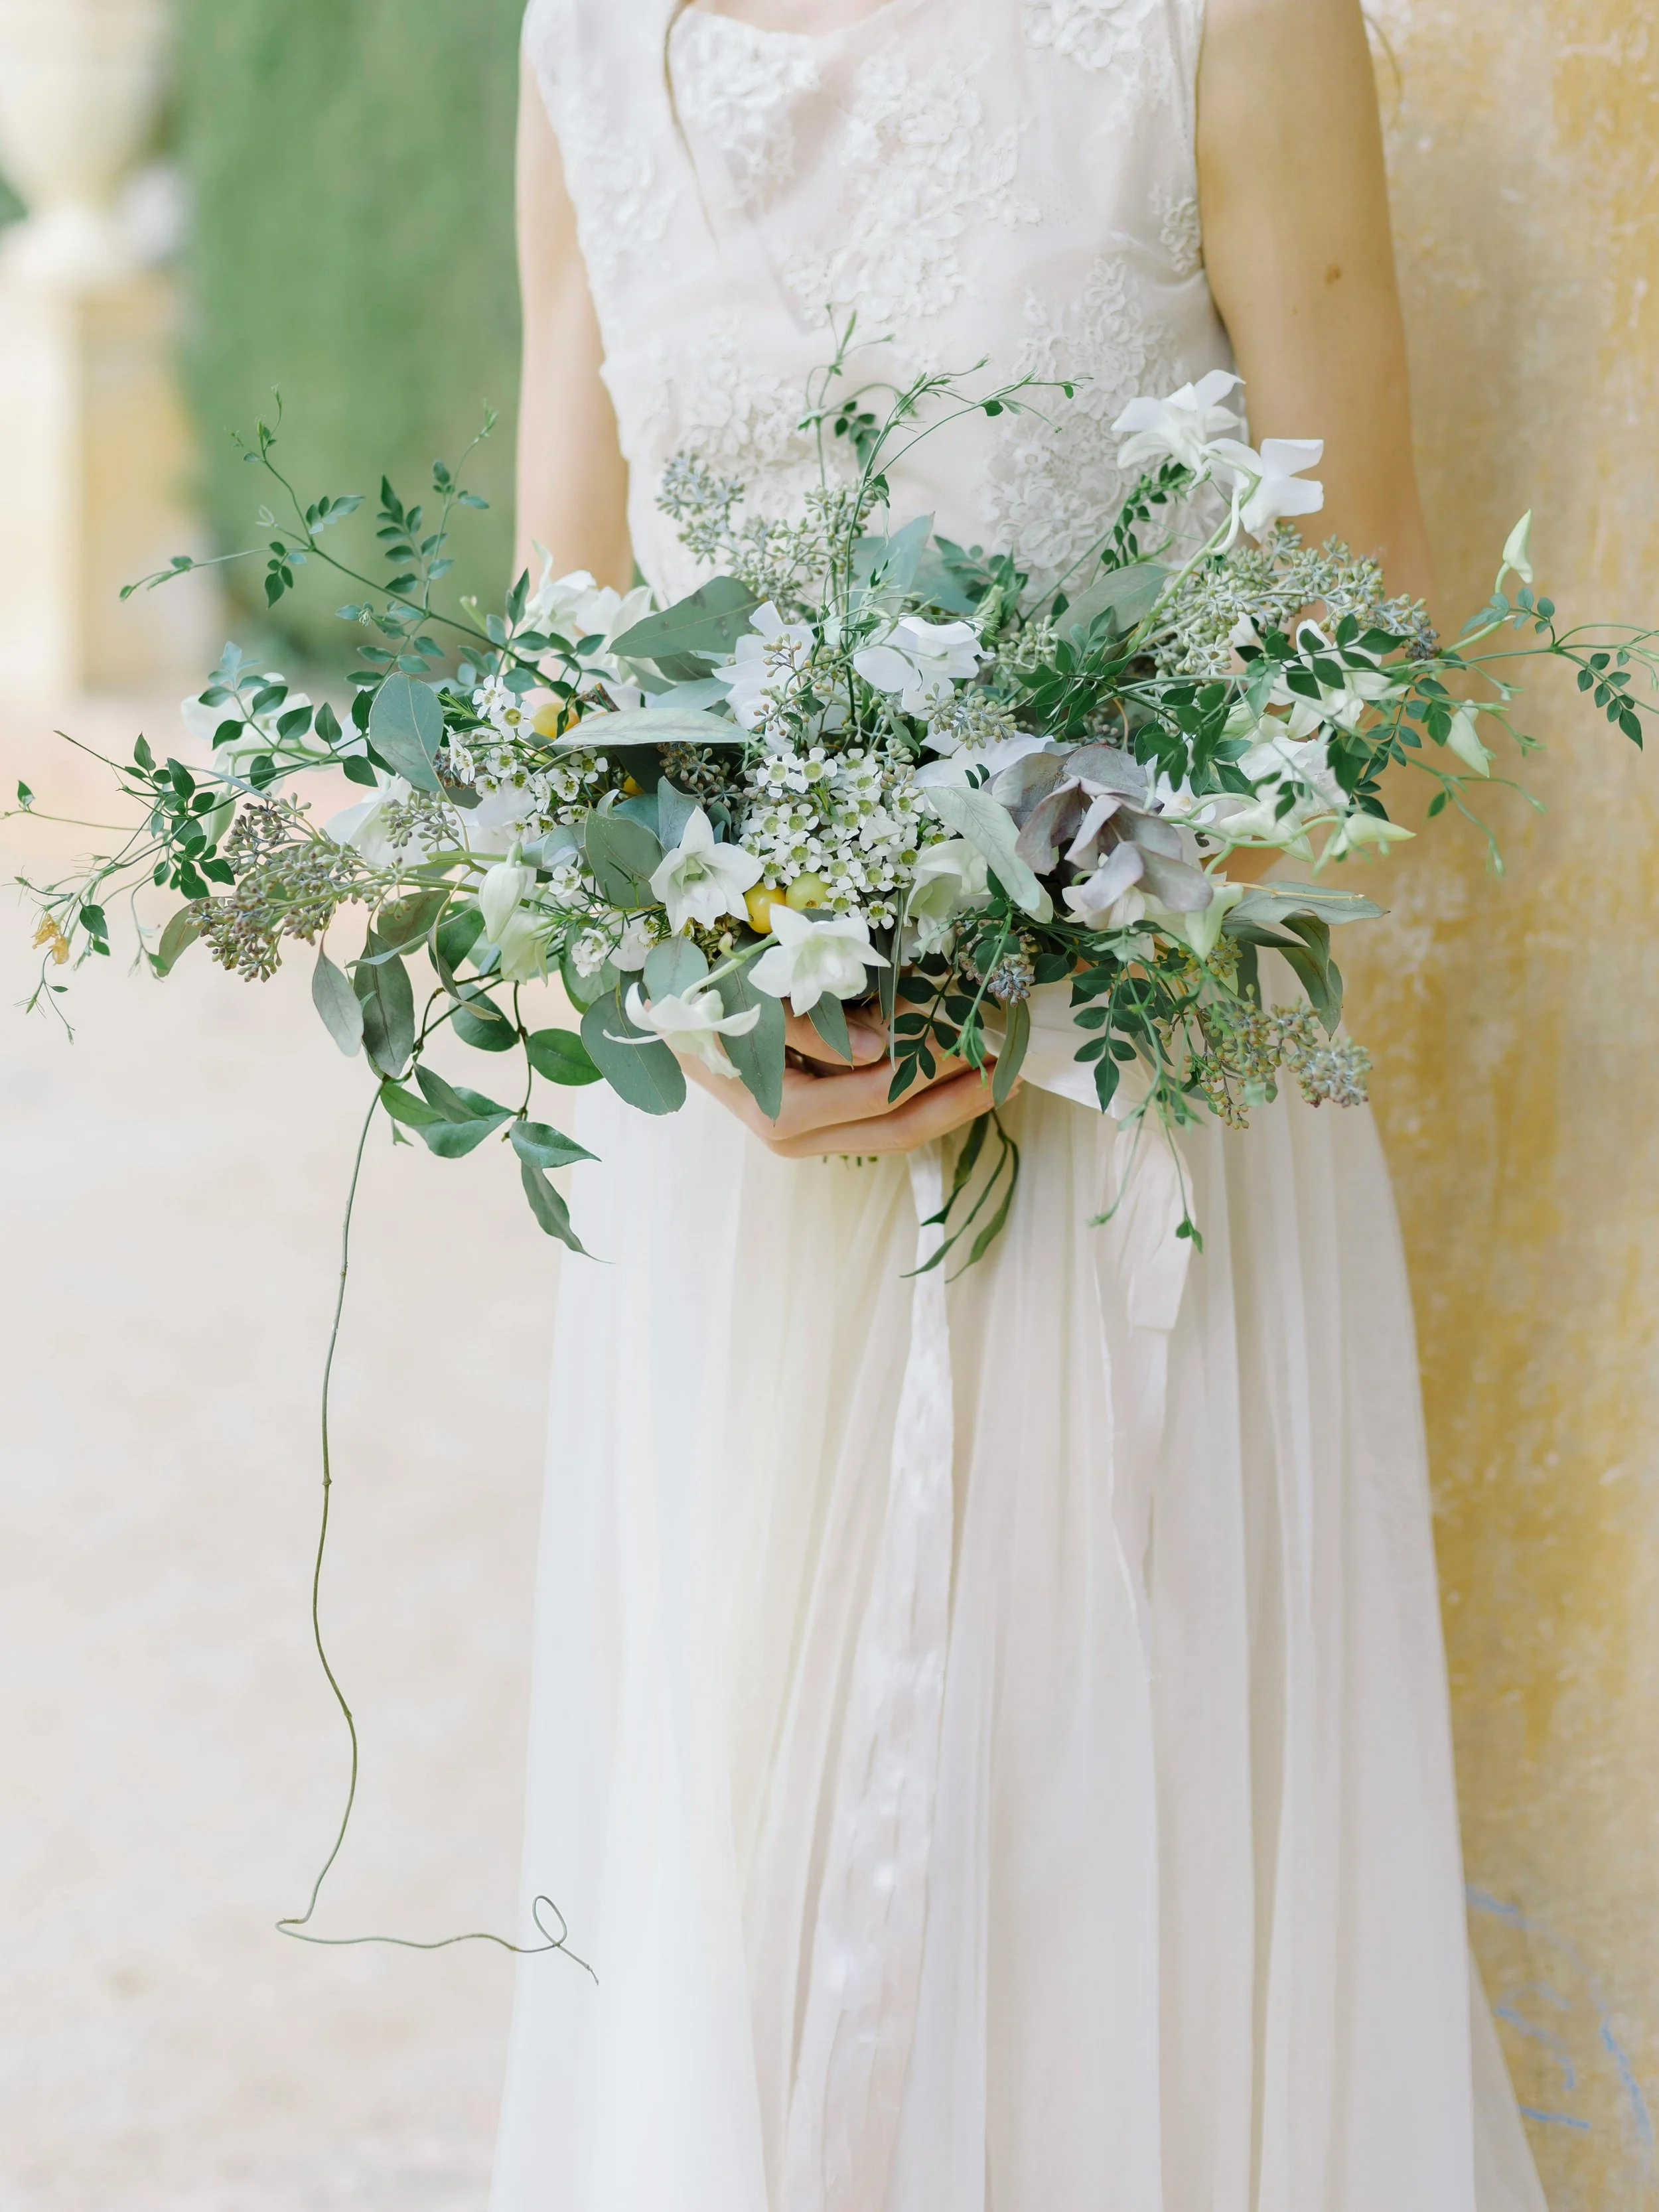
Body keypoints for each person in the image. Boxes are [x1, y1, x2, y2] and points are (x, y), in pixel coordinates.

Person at [494, 2, 1549, 2205]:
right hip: (755, 1215)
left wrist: (1037, 926)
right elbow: (567, 641)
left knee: (1100, 1932)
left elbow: (1387, 654)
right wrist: (700, 981)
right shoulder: (583, 40)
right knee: (753, 1974)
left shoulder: (1220, 22)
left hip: (1134, 1156)